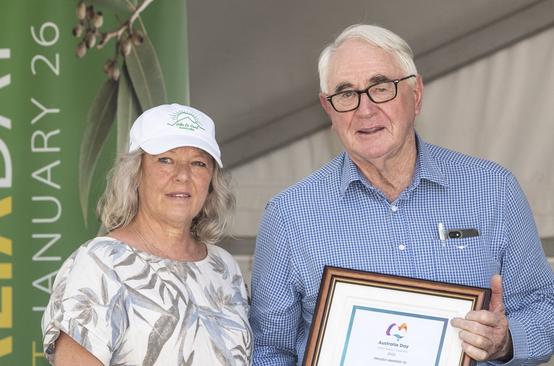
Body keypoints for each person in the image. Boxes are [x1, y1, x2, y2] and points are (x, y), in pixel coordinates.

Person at [249, 24, 554, 365]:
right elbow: (268, 350)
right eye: (346, 94)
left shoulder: (492, 189)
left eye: (381, 87)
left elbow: (546, 306)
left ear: (416, 94)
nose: (365, 110)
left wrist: (505, 341)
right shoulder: (289, 215)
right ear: (328, 109)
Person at [42, 103, 252, 366]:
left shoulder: (223, 267)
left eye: (199, 163)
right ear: (136, 173)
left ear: (211, 182)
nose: (182, 175)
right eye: (165, 159)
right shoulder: (99, 264)